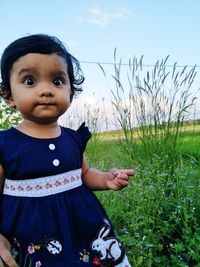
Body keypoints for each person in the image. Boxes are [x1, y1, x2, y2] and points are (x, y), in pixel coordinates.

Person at [0, 34, 134, 267]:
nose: (46, 90)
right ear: (8, 95)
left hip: (84, 230)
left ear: (71, 94)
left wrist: (105, 179)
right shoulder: (5, 144)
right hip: (32, 238)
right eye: (30, 81)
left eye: (58, 81)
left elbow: (82, 174)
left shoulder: (73, 138)